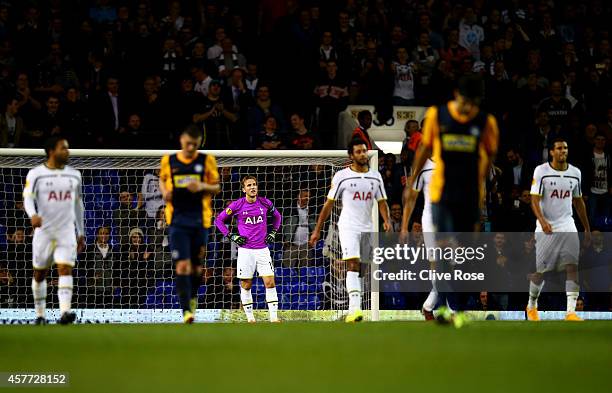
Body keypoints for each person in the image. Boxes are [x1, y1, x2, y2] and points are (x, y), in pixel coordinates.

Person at [408, 75, 499, 327]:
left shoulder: (485, 123)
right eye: (466, 100)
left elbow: (488, 157)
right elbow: (425, 148)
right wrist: (412, 181)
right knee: (446, 252)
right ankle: (451, 311)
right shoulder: (438, 116)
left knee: (462, 258)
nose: (469, 107)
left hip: (468, 197)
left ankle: (437, 305)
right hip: (441, 197)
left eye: (474, 102)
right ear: (457, 95)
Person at [309, 139, 392, 322]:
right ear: (351, 155)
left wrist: (386, 220)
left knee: (362, 268)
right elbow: (328, 204)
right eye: (359, 152)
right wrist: (317, 230)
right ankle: (354, 309)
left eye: (364, 151)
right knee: (352, 263)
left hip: (368, 227)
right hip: (348, 226)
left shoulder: (375, 176)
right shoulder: (341, 176)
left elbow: (382, 202)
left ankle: (357, 308)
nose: (363, 154)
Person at [159, 125, 220, 323]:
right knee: (182, 266)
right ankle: (186, 311)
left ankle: (192, 298)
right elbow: (162, 179)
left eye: (195, 144)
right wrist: (164, 192)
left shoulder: (206, 160)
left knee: (196, 268)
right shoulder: (169, 160)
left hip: (200, 220)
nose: (191, 148)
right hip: (177, 220)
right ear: (181, 140)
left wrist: (202, 186)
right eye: (188, 144)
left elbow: (216, 187)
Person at [22, 136, 85, 325]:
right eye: (63, 148)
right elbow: (27, 198)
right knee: (40, 273)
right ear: (51, 151)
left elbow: (78, 205)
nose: (68, 151)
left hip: (66, 232)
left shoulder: (75, 175)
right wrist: (32, 214)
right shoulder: (36, 174)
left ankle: (65, 313)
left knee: (65, 269)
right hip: (44, 232)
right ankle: (40, 315)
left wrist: (81, 231)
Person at [527, 138, 590, 322]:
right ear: (551, 152)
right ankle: (531, 305)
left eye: (566, 148)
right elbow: (534, 199)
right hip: (546, 227)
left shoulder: (575, 173)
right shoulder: (541, 171)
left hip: (567, 224)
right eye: (559, 148)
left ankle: (570, 312)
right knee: (541, 272)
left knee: (572, 267)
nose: (563, 151)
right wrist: (542, 221)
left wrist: (586, 228)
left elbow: (578, 202)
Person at [215, 176, 282, 323]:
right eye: (249, 185)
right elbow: (218, 220)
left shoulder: (265, 202)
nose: (252, 187)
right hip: (245, 251)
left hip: (263, 250)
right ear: (243, 189)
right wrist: (231, 236)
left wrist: (273, 232)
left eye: (254, 185)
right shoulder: (237, 205)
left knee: (270, 282)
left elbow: (278, 216)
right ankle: (250, 319)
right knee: (246, 284)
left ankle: (274, 318)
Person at [401, 155, 437, 320]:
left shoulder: (454, 161)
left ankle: (428, 305)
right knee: (437, 264)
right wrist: (403, 227)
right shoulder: (424, 165)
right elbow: (411, 199)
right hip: (430, 218)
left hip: (451, 218)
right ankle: (447, 309)